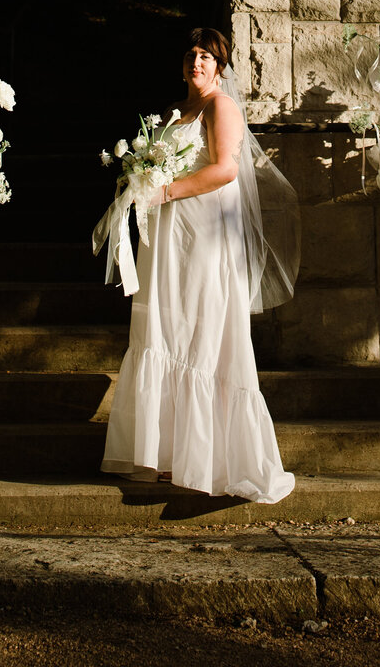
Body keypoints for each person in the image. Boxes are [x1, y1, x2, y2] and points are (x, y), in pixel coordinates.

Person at [97, 26, 299, 503]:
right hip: (168, 239)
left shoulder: (219, 106)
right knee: (166, 333)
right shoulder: (176, 114)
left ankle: (210, 458)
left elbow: (225, 168)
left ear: (220, 66)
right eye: (191, 53)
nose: (197, 60)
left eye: (207, 55)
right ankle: (165, 454)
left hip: (201, 237)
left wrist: (162, 190)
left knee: (201, 334)